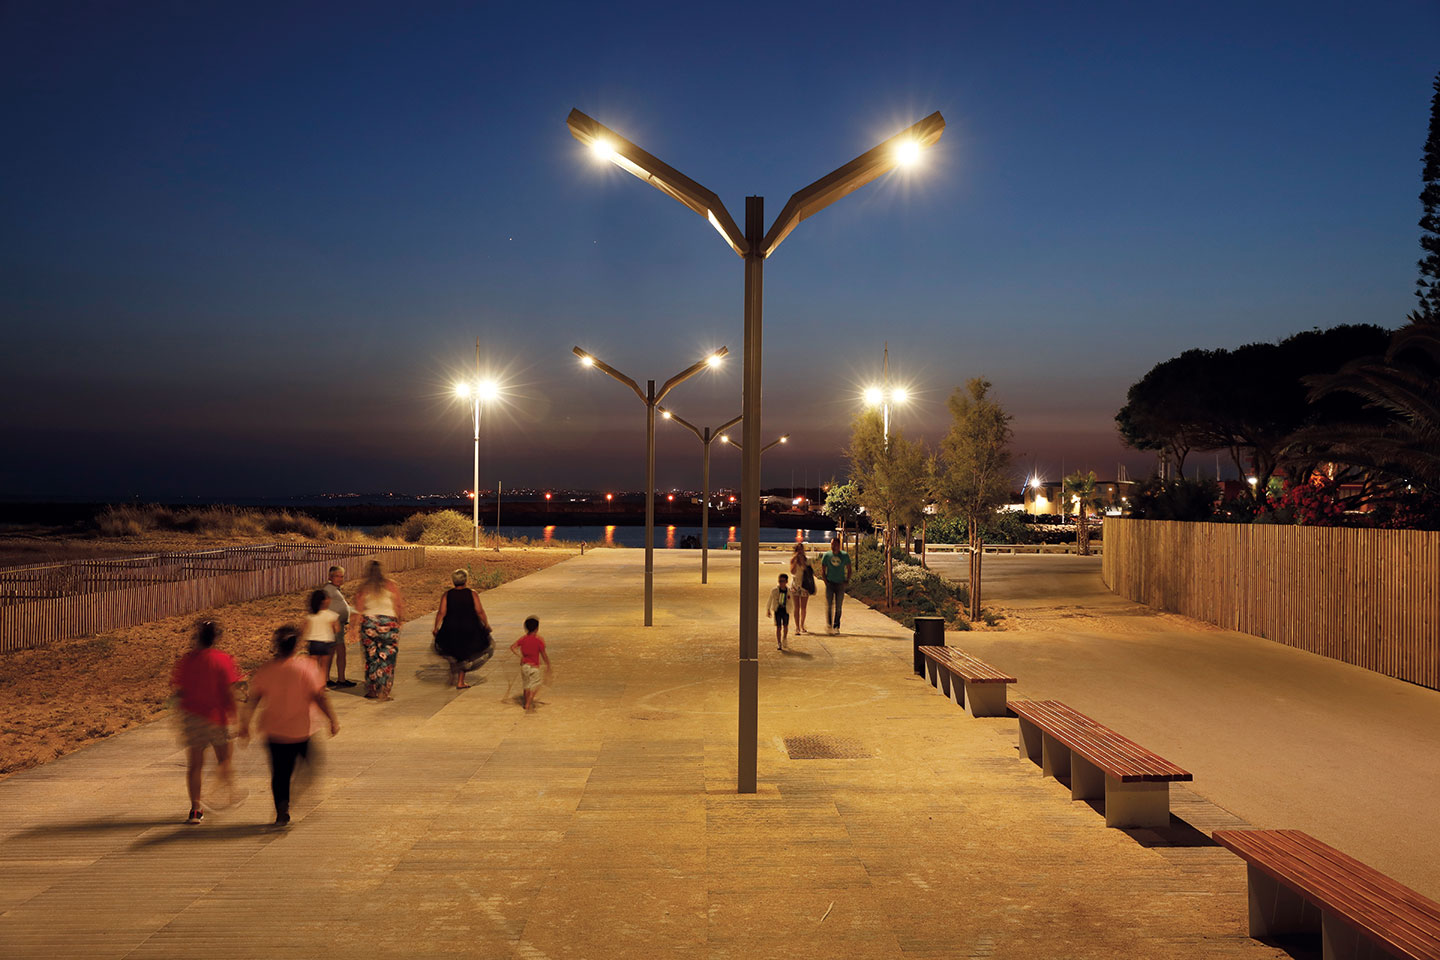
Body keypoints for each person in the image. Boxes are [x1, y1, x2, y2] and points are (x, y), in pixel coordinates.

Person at [239, 625, 339, 828]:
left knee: (279, 773)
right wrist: (331, 719)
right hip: (301, 730)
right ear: (296, 645)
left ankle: (282, 809)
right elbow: (318, 696)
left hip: (274, 730)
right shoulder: (307, 667)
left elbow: (255, 699)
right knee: (310, 765)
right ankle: (294, 794)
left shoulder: (266, 670)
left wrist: (245, 724)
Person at [170, 619, 242, 825]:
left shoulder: (187, 661)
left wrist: (179, 714)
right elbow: (230, 691)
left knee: (195, 765)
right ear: (215, 638)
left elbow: (179, 690)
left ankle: (196, 808)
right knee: (224, 760)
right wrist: (235, 715)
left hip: (193, 717)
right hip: (217, 717)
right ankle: (222, 793)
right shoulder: (223, 659)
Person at [431, 568, 493, 689]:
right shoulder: (472, 594)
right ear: (466, 580)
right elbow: (479, 611)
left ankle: (453, 674)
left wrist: (436, 627)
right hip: (469, 627)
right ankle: (460, 681)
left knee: (452, 650)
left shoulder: (447, 595)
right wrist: (486, 624)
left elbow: (441, 612)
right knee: (465, 654)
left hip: (450, 627)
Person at [354, 560, 405, 701]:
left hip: (369, 624)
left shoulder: (364, 587)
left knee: (371, 657)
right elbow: (398, 605)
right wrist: (400, 620)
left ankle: (372, 690)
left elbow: (358, 608)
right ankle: (384, 691)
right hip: (388, 623)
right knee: (387, 658)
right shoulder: (391, 585)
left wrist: (353, 627)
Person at [322, 566, 356, 688]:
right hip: (333, 626)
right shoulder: (328, 590)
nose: (340, 579)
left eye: (342, 576)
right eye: (337, 576)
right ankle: (339, 679)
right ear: (330, 577)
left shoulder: (334, 589)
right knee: (339, 652)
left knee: (333, 652)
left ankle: (328, 678)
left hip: (338, 625)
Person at [508, 616, 550, 711]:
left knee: (526, 685)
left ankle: (525, 703)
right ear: (537, 628)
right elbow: (543, 654)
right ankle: (528, 701)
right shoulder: (539, 641)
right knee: (537, 684)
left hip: (525, 666)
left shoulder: (523, 639)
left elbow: (512, 647)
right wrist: (548, 664)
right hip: (534, 666)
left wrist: (521, 657)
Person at [302, 589, 341, 684]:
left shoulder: (310, 616)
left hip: (313, 643)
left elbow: (304, 630)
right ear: (324, 601)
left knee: (312, 665)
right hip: (325, 643)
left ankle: (311, 682)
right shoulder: (332, 615)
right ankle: (322, 684)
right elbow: (337, 629)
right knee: (324, 666)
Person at [820, 536, 852, 634]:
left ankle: (836, 626)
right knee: (829, 605)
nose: (833, 546)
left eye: (835, 544)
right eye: (832, 544)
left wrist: (847, 580)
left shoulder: (844, 555)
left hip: (840, 584)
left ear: (839, 545)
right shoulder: (827, 555)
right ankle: (829, 625)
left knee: (838, 606)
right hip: (830, 583)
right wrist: (825, 581)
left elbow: (849, 568)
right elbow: (823, 569)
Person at [789, 542, 816, 635]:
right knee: (796, 607)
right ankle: (797, 627)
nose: (800, 552)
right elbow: (792, 571)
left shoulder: (807, 560)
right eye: (798, 550)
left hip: (805, 585)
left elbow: (809, 572)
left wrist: (803, 563)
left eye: (801, 550)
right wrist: (796, 560)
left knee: (803, 607)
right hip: (795, 585)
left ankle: (802, 625)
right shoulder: (793, 559)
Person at [766, 572, 792, 650]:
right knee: (778, 627)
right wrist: (768, 609)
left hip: (785, 610)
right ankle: (779, 642)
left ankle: (784, 638)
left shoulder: (789, 591)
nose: (781, 583)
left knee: (785, 626)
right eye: (780, 581)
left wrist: (791, 609)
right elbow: (770, 600)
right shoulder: (774, 591)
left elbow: (791, 602)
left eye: (783, 581)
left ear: (786, 581)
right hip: (778, 610)